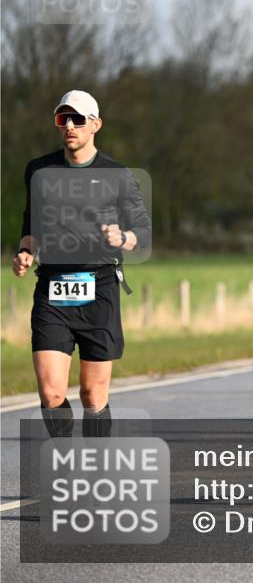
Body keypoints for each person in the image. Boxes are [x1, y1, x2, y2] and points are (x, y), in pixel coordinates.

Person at [12, 90, 151, 438]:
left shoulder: (117, 175)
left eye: (78, 119)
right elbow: (32, 224)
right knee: (52, 393)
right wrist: (25, 251)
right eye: (63, 119)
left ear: (96, 125)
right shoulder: (39, 170)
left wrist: (122, 239)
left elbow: (142, 232)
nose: (70, 125)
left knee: (92, 395)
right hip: (53, 288)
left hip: (99, 288)